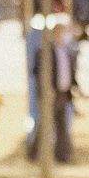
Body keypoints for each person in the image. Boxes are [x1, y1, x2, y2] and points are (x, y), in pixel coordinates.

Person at [28, 20, 76, 164]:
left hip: (63, 93)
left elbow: (68, 72)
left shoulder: (66, 51)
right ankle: (34, 154)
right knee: (44, 124)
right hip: (50, 94)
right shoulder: (44, 51)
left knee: (62, 125)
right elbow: (37, 72)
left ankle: (62, 155)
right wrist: (45, 90)